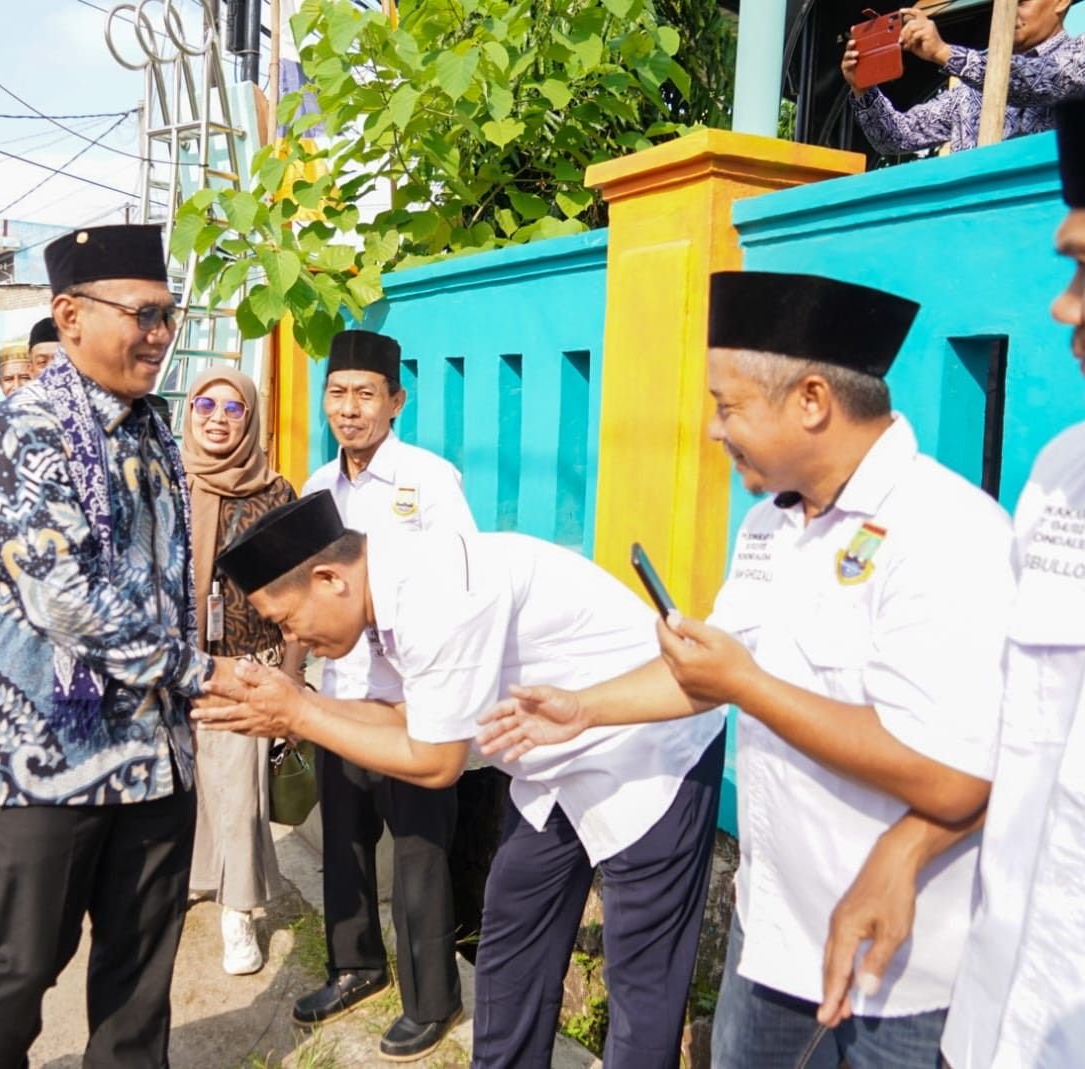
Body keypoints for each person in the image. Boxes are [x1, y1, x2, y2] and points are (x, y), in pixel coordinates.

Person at [476, 272, 1015, 1068]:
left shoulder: (948, 533)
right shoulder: (769, 524)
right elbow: (714, 669)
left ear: (810, 400)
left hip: (899, 973)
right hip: (772, 939)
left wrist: (749, 686)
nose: (713, 430)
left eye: (728, 406)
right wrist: (586, 708)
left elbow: (953, 775)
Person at [805, 79, 1085, 1069]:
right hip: (998, 1030)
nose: (1062, 306)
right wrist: (909, 844)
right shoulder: (1070, 477)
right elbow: (1026, 739)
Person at [198, 492, 727, 1067]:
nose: (291, 639)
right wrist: (295, 700)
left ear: (329, 579)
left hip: (648, 750)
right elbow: (398, 718)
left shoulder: (434, 594)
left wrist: (299, 714)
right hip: (550, 763)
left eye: (286, 620)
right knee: (512, 937)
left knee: (642, 975)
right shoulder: (377, 600)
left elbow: (434, 761)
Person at [0, 224, 231, 1069]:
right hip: (45, 752)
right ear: (68, 315)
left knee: (140, 972)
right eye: (143, 314)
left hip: (152, 754)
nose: (159, 333)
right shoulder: (20, 431)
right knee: (23, 963)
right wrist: (201, 672)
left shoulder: (151, 426)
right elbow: (63, 597)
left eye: (167, 314)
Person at [294, 329, 475, 1061]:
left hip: (413, 701)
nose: (350, 407)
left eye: (366, 393)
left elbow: (465, 580)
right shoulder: (316, 488)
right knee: (343, 839)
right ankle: (355, 966)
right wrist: (292, 677)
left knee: (422, 853)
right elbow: (303, 594)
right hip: (340, 695)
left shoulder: (429, 480)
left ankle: (432, 997)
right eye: (338, 392)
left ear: (396, 400)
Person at [179, 365, 298, 977]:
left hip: (247, 663)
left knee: (240, 795)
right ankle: (200, 878)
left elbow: (301, 592)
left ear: (250, 417)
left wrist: (294, 678)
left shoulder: (276, 493)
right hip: (173, 661)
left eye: (233, 409)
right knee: (187, 785)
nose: (218, 419)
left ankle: (239, 910)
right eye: (206, 405)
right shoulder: (169, 483)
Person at [844, 1, 1085, 156]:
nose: (1011, 13)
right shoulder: (969, 87)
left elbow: (1040, 81)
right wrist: (863, 89)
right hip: (976, 231)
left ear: (1060, 2)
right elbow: (897, 137)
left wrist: (944, 52)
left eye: (1021, 2)